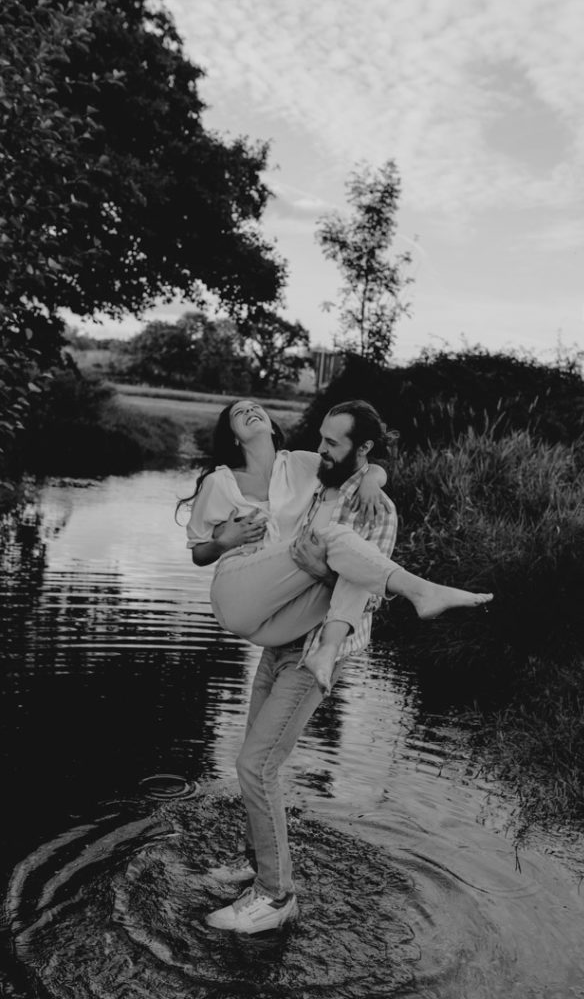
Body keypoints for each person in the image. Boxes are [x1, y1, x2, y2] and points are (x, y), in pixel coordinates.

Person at [181, 399, 492, 934]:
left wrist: (323, 584)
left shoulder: (378, 509)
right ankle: (258, 866)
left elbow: (360, 593)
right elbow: (247, 548)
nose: (320, 449)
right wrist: (365, 476)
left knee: (257, 766)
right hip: (280, 638)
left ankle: (275, 897)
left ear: (362, 448)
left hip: (317, 650)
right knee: (251, 761)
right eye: (320, 440)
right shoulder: (315, 483)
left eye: (333, 443)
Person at [182, 399, 492, 696]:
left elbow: (359, 464)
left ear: (273, 428)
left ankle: (328, 649)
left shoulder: (301, 464)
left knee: (350, 566)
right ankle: (421, 591)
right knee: (334, 536)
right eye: (239, 412)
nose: (250, 410)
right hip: (236, 588)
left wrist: (373, 480)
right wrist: (225, 541)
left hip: (274, 612)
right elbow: (198, 553)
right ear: (233, 437)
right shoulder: (219, 483)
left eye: (255, 407)